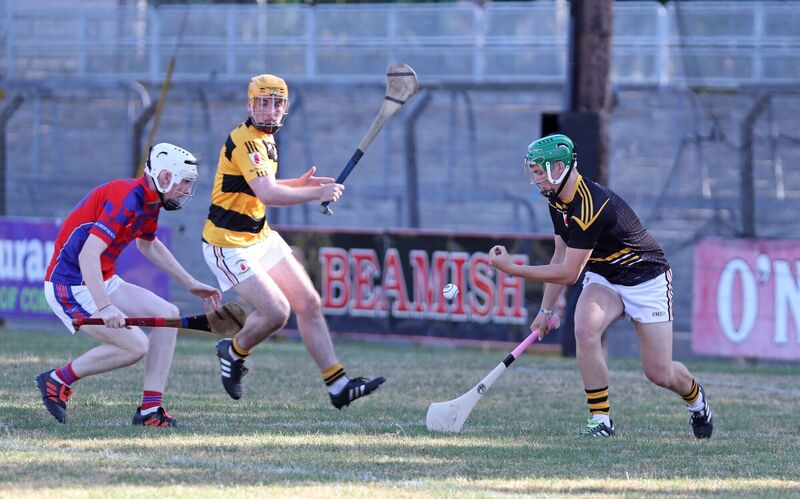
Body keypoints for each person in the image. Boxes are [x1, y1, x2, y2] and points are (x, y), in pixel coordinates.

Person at [488, 133, 713, 438]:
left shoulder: (590, 206)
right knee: (584, 328)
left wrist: (513, 270)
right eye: (534, 171)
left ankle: (697, 400)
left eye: (540, 170)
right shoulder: (557, 201)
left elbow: (568, 273)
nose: (536, 177)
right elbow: (560, 253)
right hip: (605, 275)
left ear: (559, 167)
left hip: (645, 278)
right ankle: (601, 420)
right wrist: (545, 308)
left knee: (659, 373)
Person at [202, 74, 385, 409]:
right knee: (277, 312)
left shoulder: (266, 140)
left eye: (277, 103)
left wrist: (299, 184)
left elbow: (261, 182)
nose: (270, 111)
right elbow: (268, 194)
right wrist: (315, 193)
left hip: (259, 236)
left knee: (309, 303)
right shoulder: (246, 140)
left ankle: (337, 384)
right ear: (250, 105)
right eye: (263, 103)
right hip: (227, 242)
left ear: (285, 107)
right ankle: (233, 351)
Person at [37, 143, 222, 427]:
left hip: (103, 279)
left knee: (169, 314)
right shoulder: (127, 198)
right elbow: (88, 255)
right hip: (70, 287)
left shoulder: (150, 201)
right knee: (136, 346)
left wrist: (191, 283)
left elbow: (148, 244)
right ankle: (57, 380)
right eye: (184, 182)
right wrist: (105, 307)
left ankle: (150, 409)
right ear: (164, 176)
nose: (186, 190)